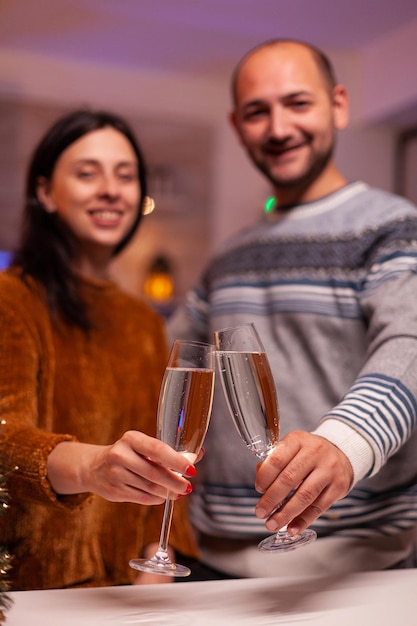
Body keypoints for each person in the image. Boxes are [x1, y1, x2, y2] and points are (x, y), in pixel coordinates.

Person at [169, 39, 417, 579]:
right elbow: (164, 369)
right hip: (211, 564)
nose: (279, 128)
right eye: (258, 112)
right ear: (237, 127)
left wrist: (344, 444)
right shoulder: (225, 259)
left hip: (358, 567)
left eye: (298, 103)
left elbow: (410, 345)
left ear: (339, 105)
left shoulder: (395, 227)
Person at [0, 109, 199, 590]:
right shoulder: (12, 299)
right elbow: (4, 443)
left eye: (125, 175)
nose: (110, 189)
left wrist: (161, 554)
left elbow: (169, 450)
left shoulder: (144, 322)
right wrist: (93, 467)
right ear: (46, 192)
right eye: (87, 173)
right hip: (34, 593)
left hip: (130, 596)